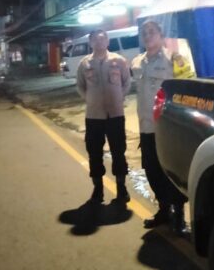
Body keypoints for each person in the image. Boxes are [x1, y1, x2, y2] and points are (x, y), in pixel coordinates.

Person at [131, 20, 193, 234]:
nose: (147, 36)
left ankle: (179, 215)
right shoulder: (137, 62)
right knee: (152, 170)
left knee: (172, 171)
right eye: (144, 33)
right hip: (146, 127)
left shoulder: (175, 59)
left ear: (161, 35)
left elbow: (188, 88)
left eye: (151, 32)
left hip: (167, 127)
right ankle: (164, 210)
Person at [76, 28, 132, 204]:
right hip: (94, 116)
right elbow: (80, 85)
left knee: (118, 151)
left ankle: (121, 188)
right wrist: (89, 99)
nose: (99, 42)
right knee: (94, 152)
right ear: (90, 42)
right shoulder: (84, 64)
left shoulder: (119, 61)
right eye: (95, 39)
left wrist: (119, 96)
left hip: (115, 114)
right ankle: (98, 189)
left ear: (107, 41)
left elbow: (127, 82)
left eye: (102, 39)